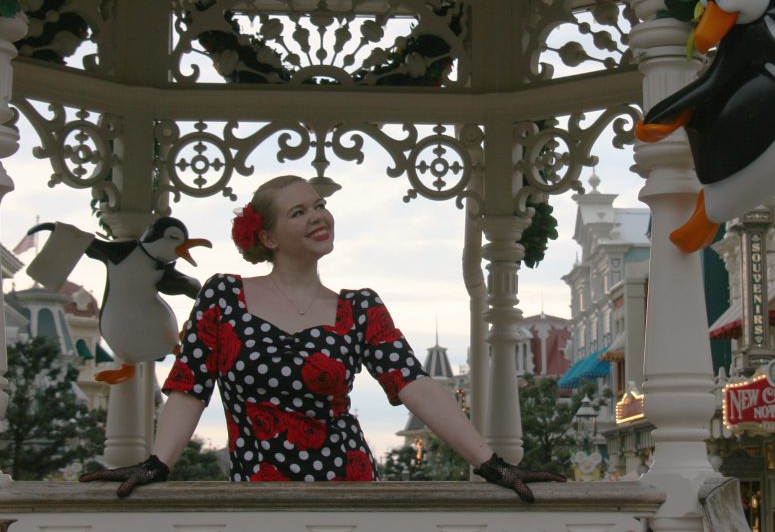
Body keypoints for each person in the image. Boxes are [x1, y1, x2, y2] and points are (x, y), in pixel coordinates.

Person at [81, 174, 564, 500]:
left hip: (349, 487)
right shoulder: (223, 297)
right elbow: (188, 388)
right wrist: (156, 465)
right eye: (298, 212)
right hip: (259, 493)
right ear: (266, 237)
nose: (318, 216)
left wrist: (493, 465)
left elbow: (417, 387)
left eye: (320, 205)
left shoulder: (360, 308)